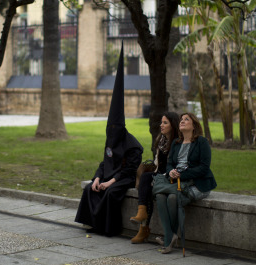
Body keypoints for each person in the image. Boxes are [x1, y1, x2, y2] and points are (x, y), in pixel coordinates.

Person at [75, 44, 143, 237]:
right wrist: (97, 178)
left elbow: (129, 170)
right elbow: (105, 162)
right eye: (109, 129)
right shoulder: (110, 141)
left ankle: (109, 228)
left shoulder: (133, 146)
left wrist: (110, 182)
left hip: (124, 178)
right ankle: (92, 223)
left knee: (111, 193)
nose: (111, 132)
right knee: (90, 188)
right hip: (109, 175)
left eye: (115, 129)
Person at [155, 112, 217, 254]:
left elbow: (204, 167)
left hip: (198, 184)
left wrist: (181, 175)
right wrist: (171, 172)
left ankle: (168, 239)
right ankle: (171, 236)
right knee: (160, 196)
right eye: (181, 119)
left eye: (186, 119)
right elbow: (170, 163)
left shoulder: (201, 142)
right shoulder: (176, 143)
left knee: (172, 198)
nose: (182, 121)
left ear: (194, 125)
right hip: (177, 183)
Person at [129, 111, 180, 244]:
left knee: (146, 181)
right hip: (158, 175)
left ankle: (143, 225)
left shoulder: (177, 143)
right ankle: (142, 219)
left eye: (165, 123)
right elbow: (157, 163)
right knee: (147, 186)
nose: (161, 125)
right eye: (161, 122)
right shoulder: (161, 140)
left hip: (170, 178)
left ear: (173, 125)